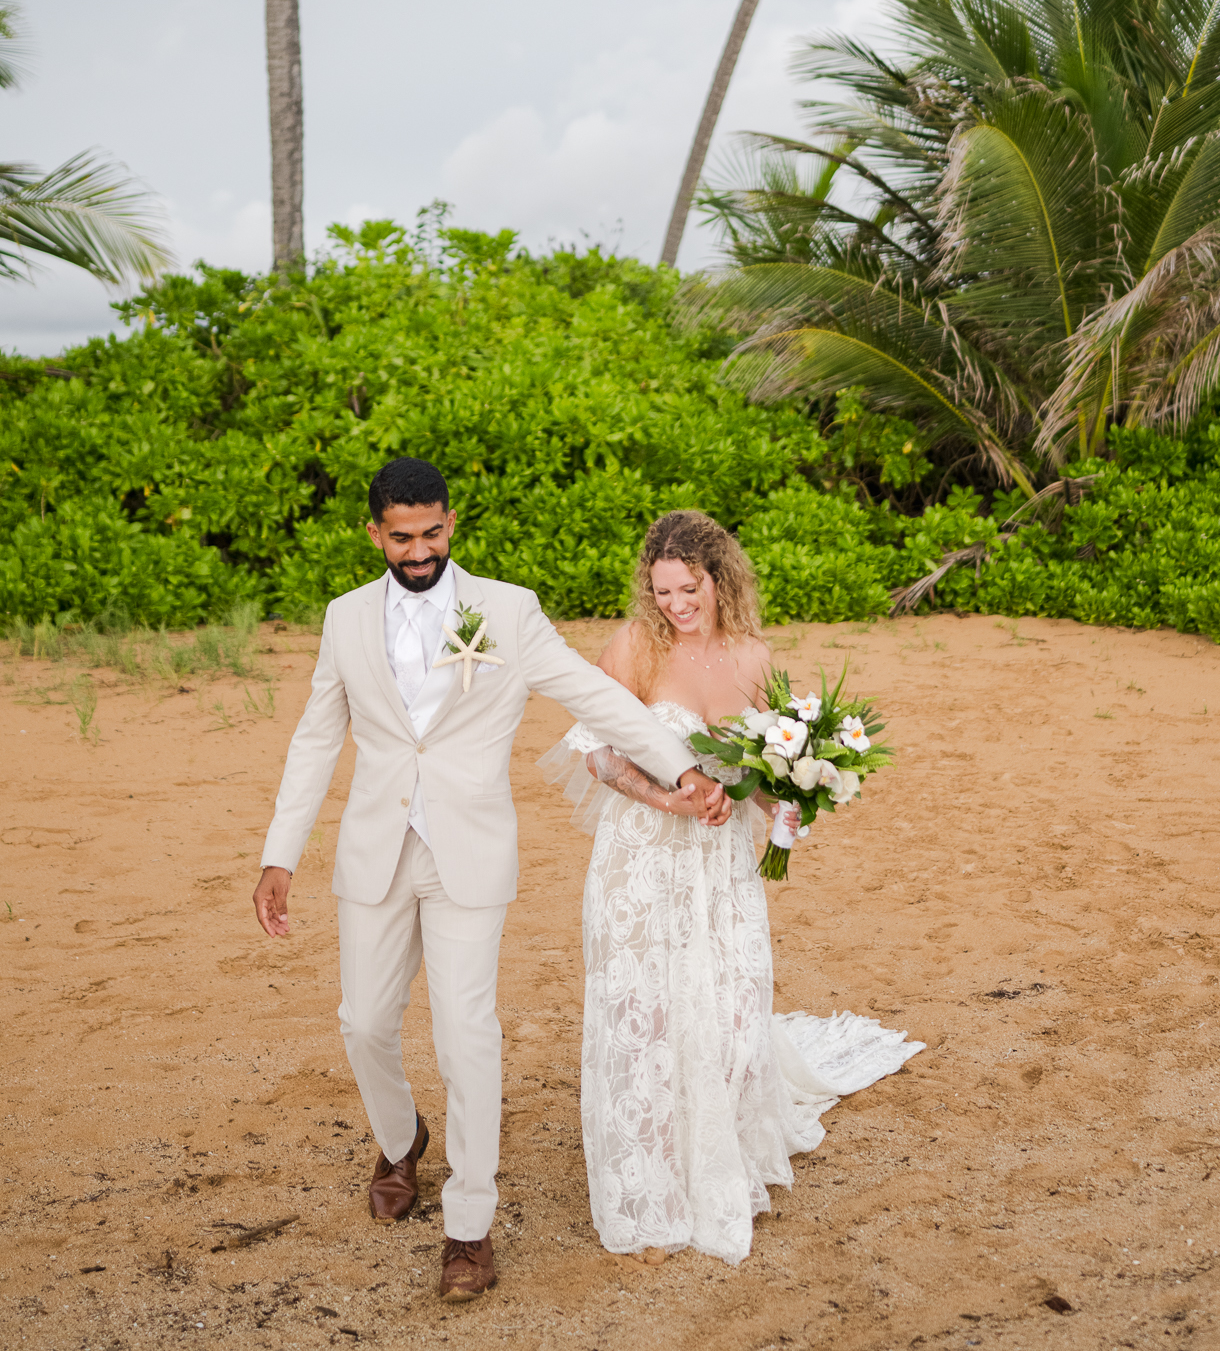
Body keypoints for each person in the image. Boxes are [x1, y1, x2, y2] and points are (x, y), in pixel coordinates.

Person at [251, 457, 730, 1303]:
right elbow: (315, 738)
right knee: (363, 1022)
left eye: (432, 532)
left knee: (467, 1032)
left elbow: (594, 696)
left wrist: (682, 766)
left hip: (468, 852)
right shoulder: (345, 619)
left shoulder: (507, 611)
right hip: (375, 848)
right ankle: (400, 1140)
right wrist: (279, 852)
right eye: (402, 536)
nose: (419, 549)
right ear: (375, 535)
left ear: (450, 524)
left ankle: (469, 1226)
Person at [540, 508, 923, 1265]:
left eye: (690, 590)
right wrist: (665, 799)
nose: (677, 606)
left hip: (720, 866)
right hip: (644, 857)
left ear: (719, 579)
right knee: (646, 1011)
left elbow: (756, 766)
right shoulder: (635, 649)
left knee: (728, 1003)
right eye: (663, 592)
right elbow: (597, 755)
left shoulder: (753, 657)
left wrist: (786, 800)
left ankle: (720, 1155)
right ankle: (652, 1191)